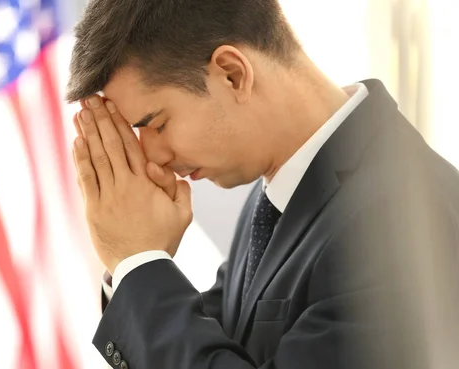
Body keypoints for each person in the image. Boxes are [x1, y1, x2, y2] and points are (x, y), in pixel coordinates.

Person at [66, 0, 459, 368]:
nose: (152, 156)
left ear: (232, 74)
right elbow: (223, 340)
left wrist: (138, 261)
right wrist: (131, 264)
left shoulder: (399, 220)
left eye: (157, 124)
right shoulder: (276, 195)